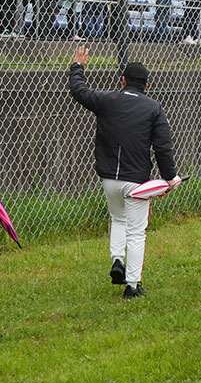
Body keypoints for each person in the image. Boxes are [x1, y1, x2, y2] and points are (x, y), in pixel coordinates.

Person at [68, 48, 178, 299]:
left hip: (109, 179)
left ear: (123, 81)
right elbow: (162, 147)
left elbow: (79, 91)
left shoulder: (108, 100)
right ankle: (132, 285)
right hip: (137, 181)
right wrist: (169, 177)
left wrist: (77, 66)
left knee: (118, 219)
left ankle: (117, 259)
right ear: (147, 85)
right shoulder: (153, 109)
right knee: (137, 231)